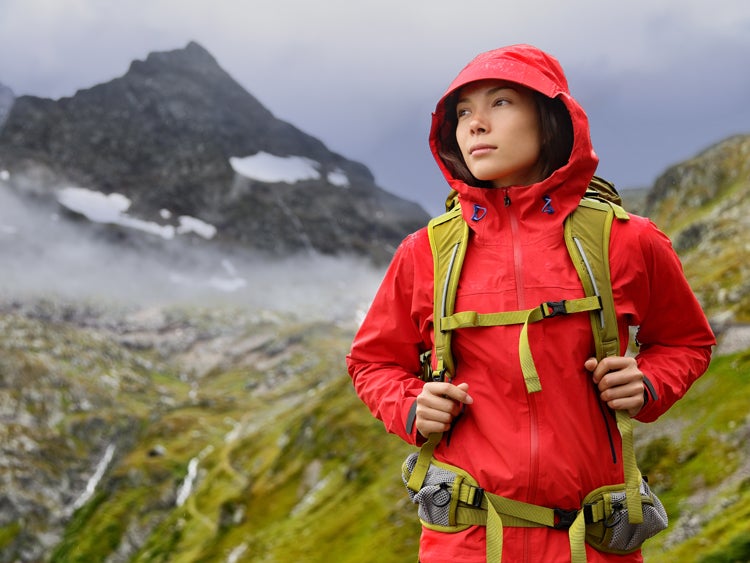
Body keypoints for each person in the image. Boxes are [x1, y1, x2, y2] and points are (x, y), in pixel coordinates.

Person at [346, 44, 715, 562]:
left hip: (592, 544)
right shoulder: (425, 252)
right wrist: (410, 405)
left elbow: (687, 341)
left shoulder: (627, 241)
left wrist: (648, 382)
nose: (475, 124)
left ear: (550, 120)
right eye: (462, 113)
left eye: (499, 103)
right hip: (467, 542)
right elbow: (373, 361)